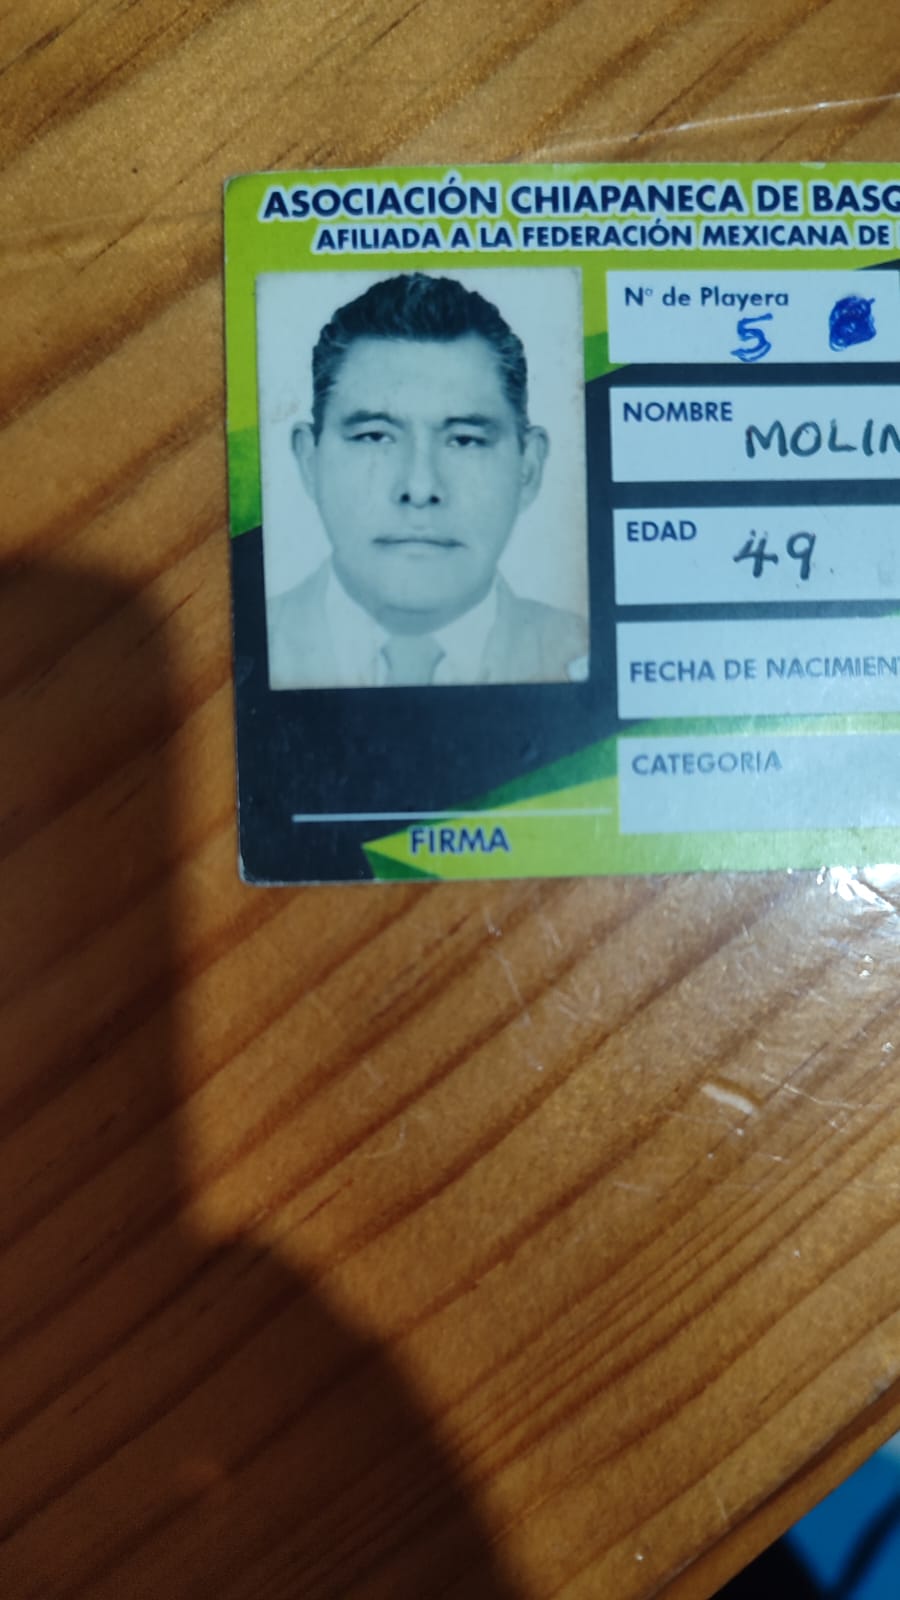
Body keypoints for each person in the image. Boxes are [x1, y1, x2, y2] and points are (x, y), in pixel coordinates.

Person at [266, 272, 589, 688]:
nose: (420, 489)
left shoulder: (587, 653)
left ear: (528, 468)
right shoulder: (246, 650)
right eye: (375, 436)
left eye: (465, 440)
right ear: (309, 461)